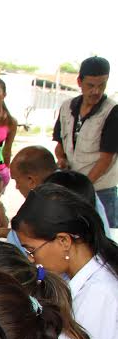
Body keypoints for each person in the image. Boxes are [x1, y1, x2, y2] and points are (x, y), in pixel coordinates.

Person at [13, 183, 118, 339]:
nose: (32, 260)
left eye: (32, 250)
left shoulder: (100, 295)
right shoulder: (79, 276)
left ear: (64, 241)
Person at [54, 56, 118, 227]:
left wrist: (83, 188)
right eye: (90, 85)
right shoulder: (67, 107)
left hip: (101, 192)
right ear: (79, 82)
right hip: (74, 189)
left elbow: (106, 159)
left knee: (106, 241)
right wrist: (61, 159)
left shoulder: (112, 111)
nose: (96, 91)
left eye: (101, 85)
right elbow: (60, 145)